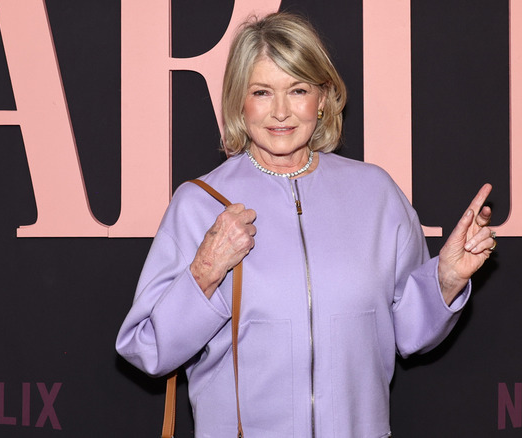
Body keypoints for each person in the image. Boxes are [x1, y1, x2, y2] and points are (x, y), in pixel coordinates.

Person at [116, 11, 495, 437]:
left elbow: (407, 333)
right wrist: (204, 272)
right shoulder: (199, 204)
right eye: (262, 92)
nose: (280, 112)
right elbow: (146, 347)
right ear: (240, 100)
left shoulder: (375, 193)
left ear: (324, 97)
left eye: (298, 90)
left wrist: (445, 279)